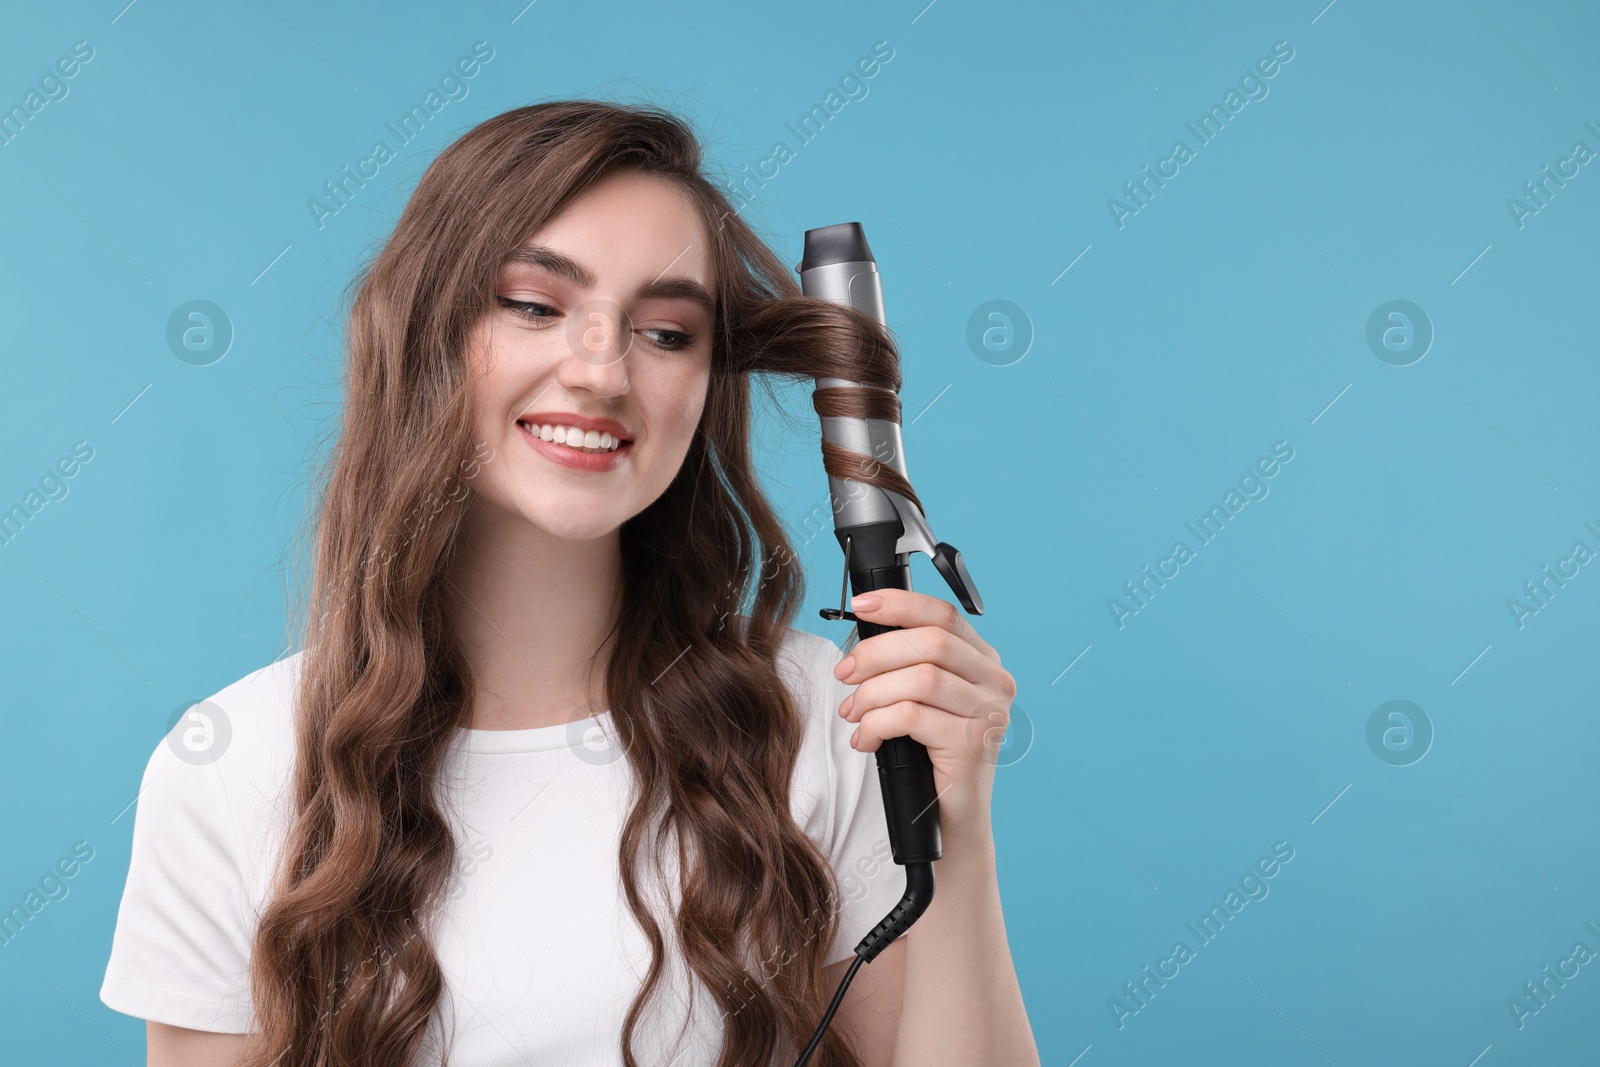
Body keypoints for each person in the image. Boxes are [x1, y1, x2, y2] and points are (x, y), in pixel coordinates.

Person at [99, 99, 1039, 1067]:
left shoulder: (822, 720)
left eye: (667, 332)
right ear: (425, 334)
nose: (600, 370)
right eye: (536, 305)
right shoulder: (230, 764)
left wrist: (953, 825)